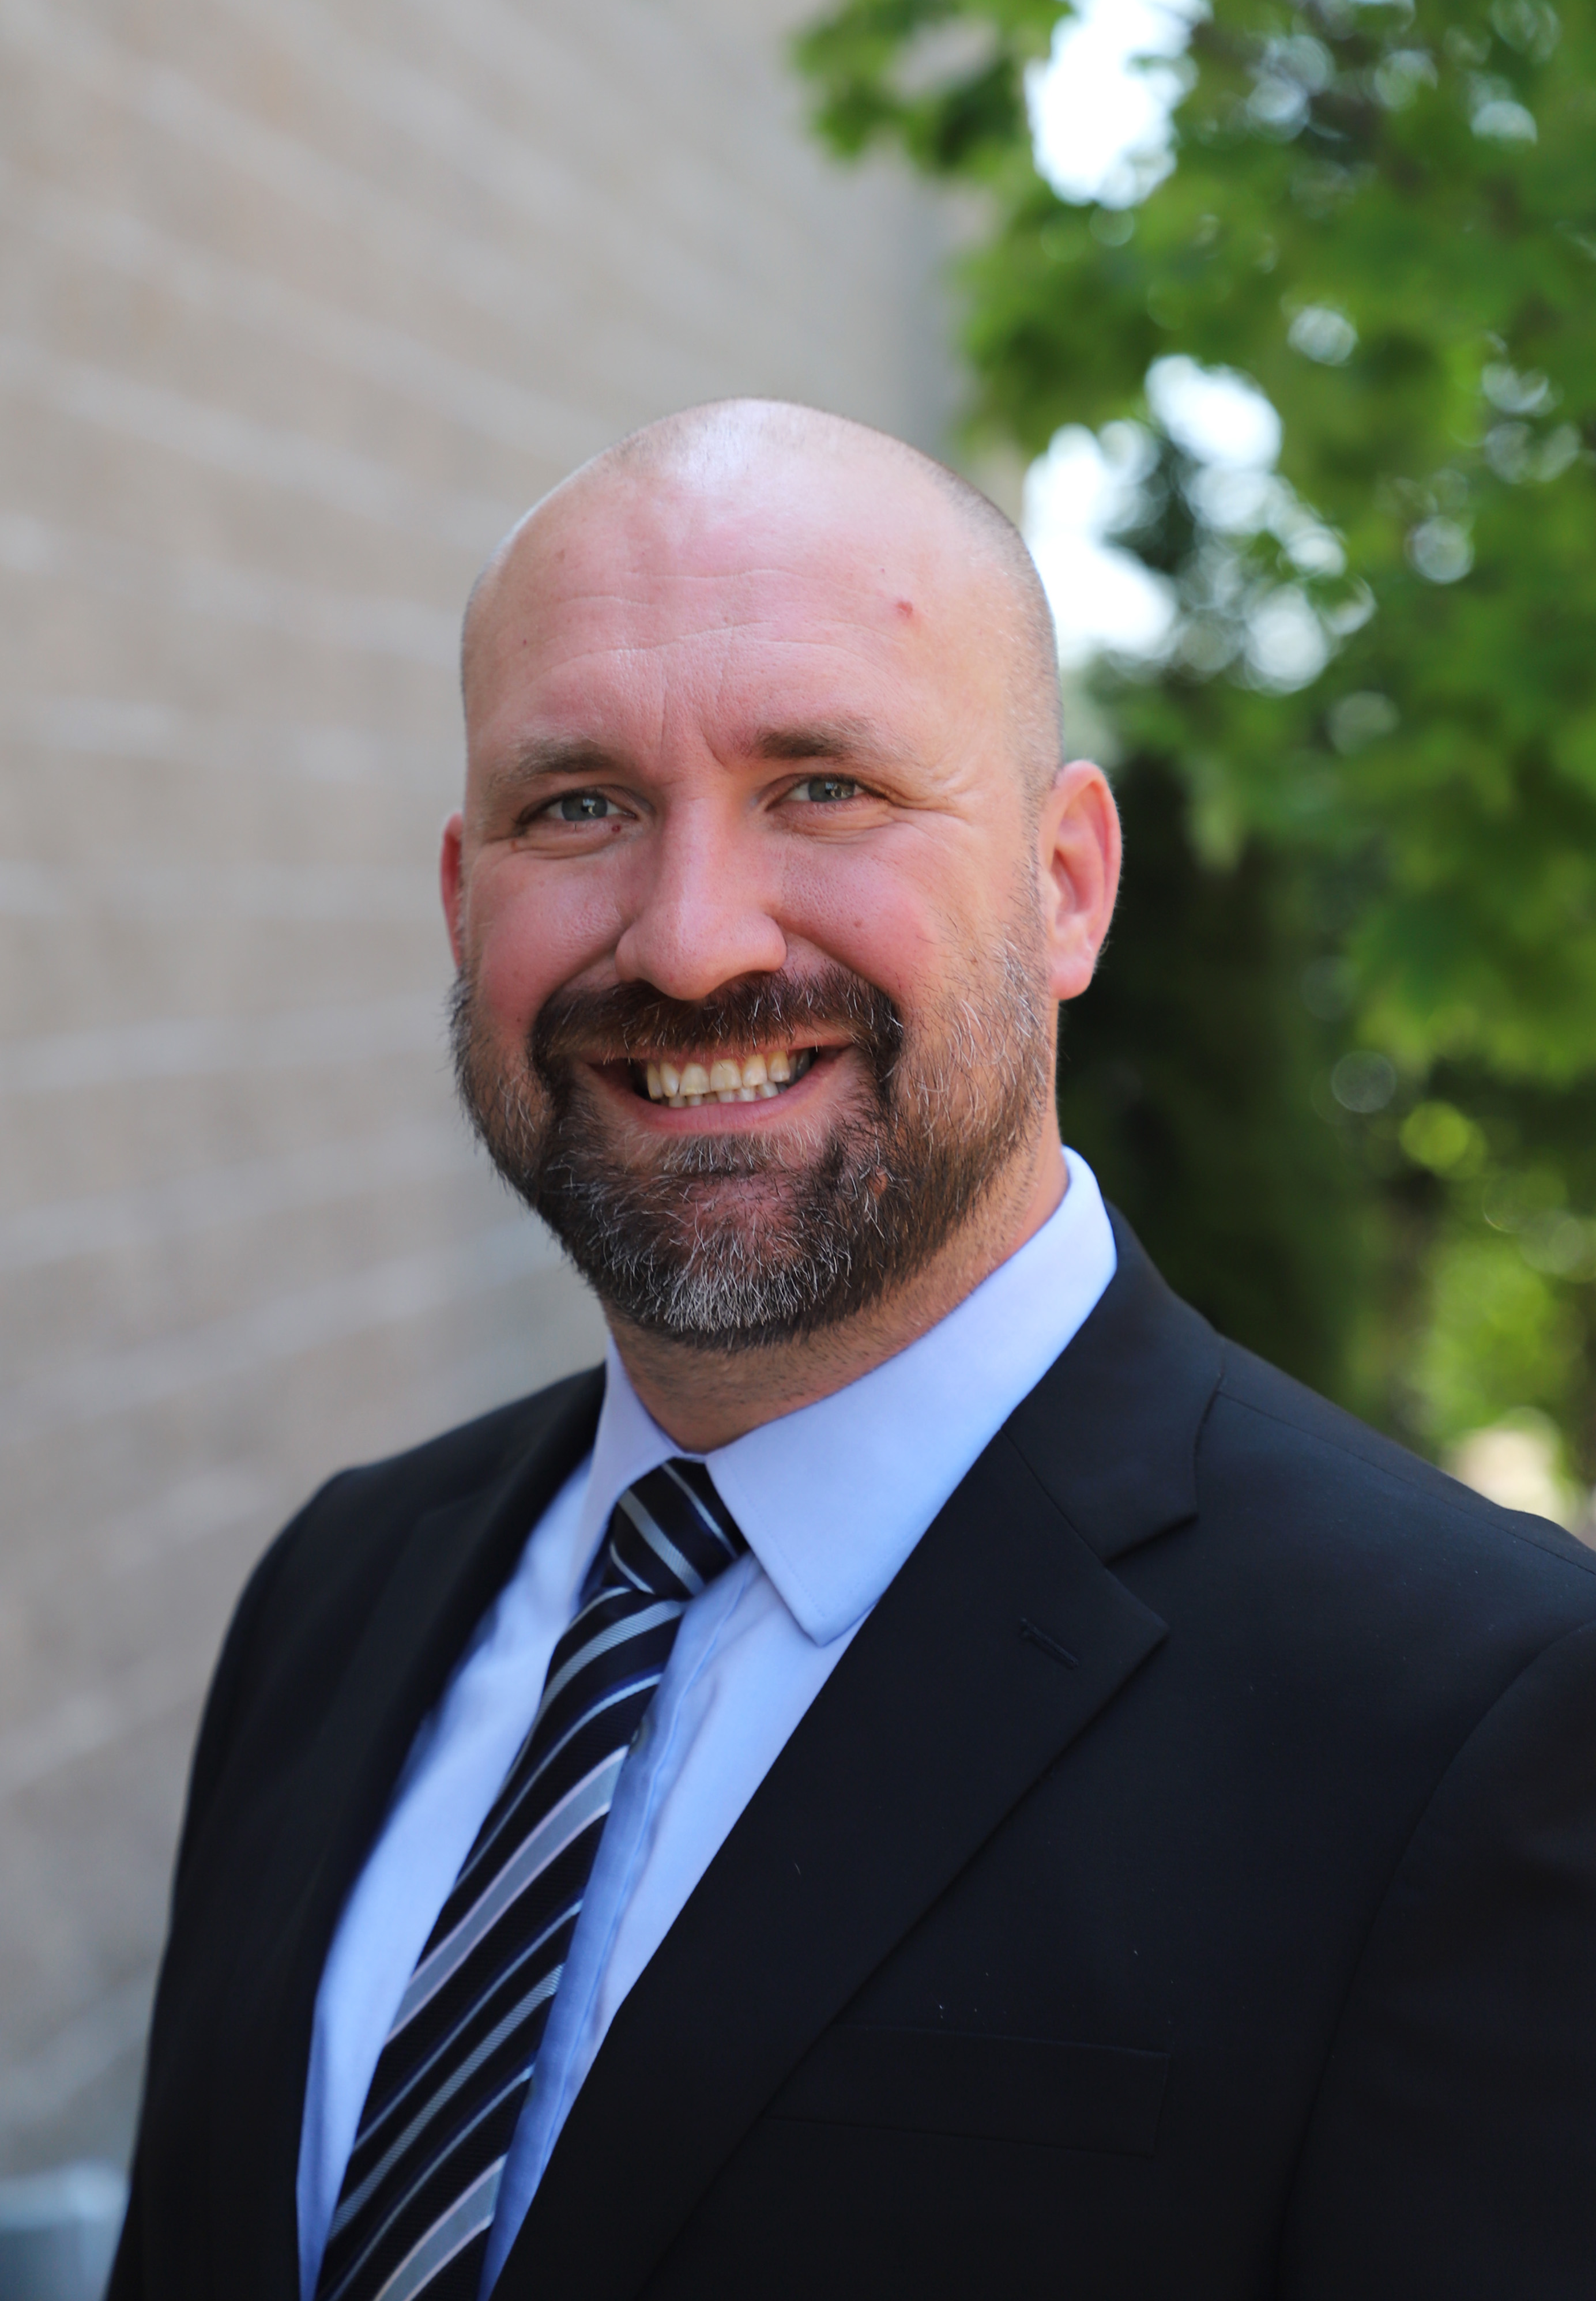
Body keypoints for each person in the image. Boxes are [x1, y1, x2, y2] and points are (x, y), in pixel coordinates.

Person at [112, 402, 1596, 2301]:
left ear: (1068, 885)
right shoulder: (345, 1585)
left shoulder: (1473, 1720)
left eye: (823, 785)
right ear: (463, 896)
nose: (693, 939)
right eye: (579, 806)